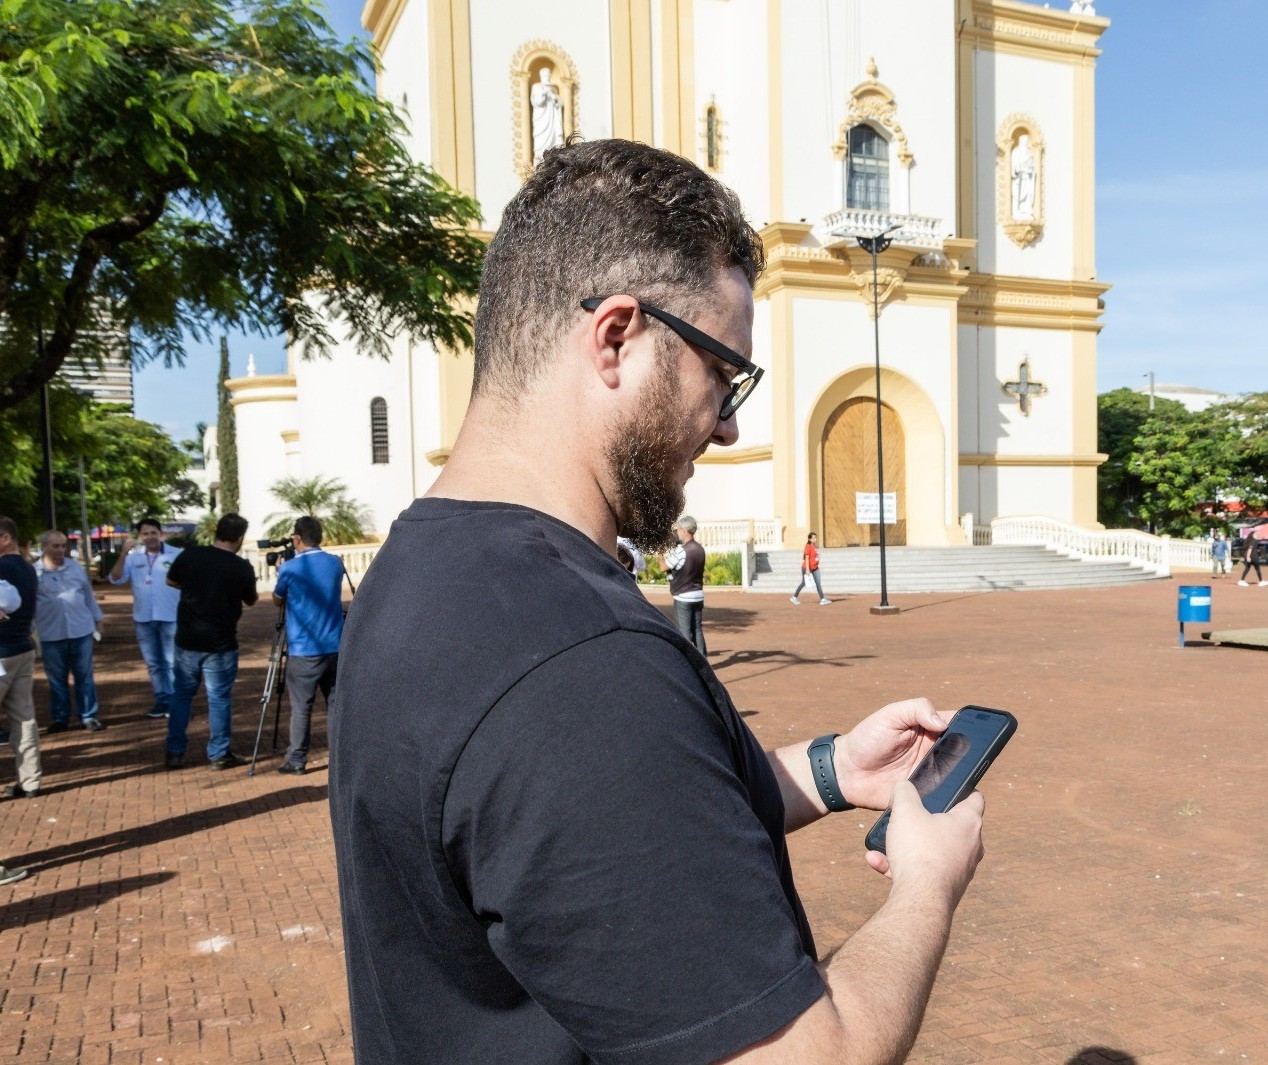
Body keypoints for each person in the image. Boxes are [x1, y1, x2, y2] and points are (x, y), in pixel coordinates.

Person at [329, 139, 985, 1065]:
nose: (727, 423)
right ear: (617, 337)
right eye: (723, 372)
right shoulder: (576, 661)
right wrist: (928, 885)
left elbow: (599, 837)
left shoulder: (424, 563)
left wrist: (835, 770)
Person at [163, 514, 258, 770]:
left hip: (187, 639)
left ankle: (174, 751)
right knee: (218, 699)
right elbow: (250, 600)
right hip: (220, 643)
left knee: (181, 696)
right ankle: (218, 754)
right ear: (239, 538)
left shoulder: (191, 555)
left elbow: (171, 580)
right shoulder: (241, 567)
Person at [270, 516, 345, 775]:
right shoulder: (335, 563)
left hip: (304, 649)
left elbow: (278, 599)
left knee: (302, 707)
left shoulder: (290, 568)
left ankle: (297, 758)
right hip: (335, 645)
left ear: (297, 538)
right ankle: (339, 758)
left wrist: (280, 571)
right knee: (335, 705)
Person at [108, 517, 183, 719]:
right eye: (145, 533)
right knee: (153, 663)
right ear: (140, 536)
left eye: (153, 533)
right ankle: (162, 700)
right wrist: (123, 554)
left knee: (171, 661)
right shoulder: (134, 558)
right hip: (143, 618)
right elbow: (115, 579)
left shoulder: (177, 555)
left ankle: (176, 701)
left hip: (171, 616)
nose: (150, 537)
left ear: (161, 534)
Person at [33, 530, 105, 733]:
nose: (60, 550)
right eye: (55, 546)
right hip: (51, 634)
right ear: (44, 547)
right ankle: (60, 718)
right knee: (57, 680)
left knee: (85, 677)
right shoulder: (34, 572)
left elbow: (88, 595)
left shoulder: (75, 567)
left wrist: (98, 620)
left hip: (80, 630)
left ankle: (89, 716)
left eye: (63, 546)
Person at [0, 517, 43, 818]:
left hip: (2, 651)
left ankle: (28, 780)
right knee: (23, 717)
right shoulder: (28, 568)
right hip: (22, 649)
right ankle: (30, 780)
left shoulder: (3, 567)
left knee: (24, 718)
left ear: (4, 538)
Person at [664, 514, 708, 653]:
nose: (677, 533)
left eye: (677, 530)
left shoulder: (682, 550)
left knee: (684, 632)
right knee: (697, 630)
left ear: (684, 530)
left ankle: (690, 663)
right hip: (698, 595)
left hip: (683, 596)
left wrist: (660, 553)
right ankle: (703, 660)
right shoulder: (700, 549)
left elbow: (664, 567)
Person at [791, 531, 831, 605]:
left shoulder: (814, 546)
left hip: (815, 568)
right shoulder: (808, 546)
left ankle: (822, 599)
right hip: (807, 568)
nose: (815, 539)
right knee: (803, 583)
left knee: (818, 583)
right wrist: (807, 569)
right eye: (813, 538)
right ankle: (794, 597)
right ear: (809, 539)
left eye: (816, 537)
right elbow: (806, 558)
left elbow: (815, 555)